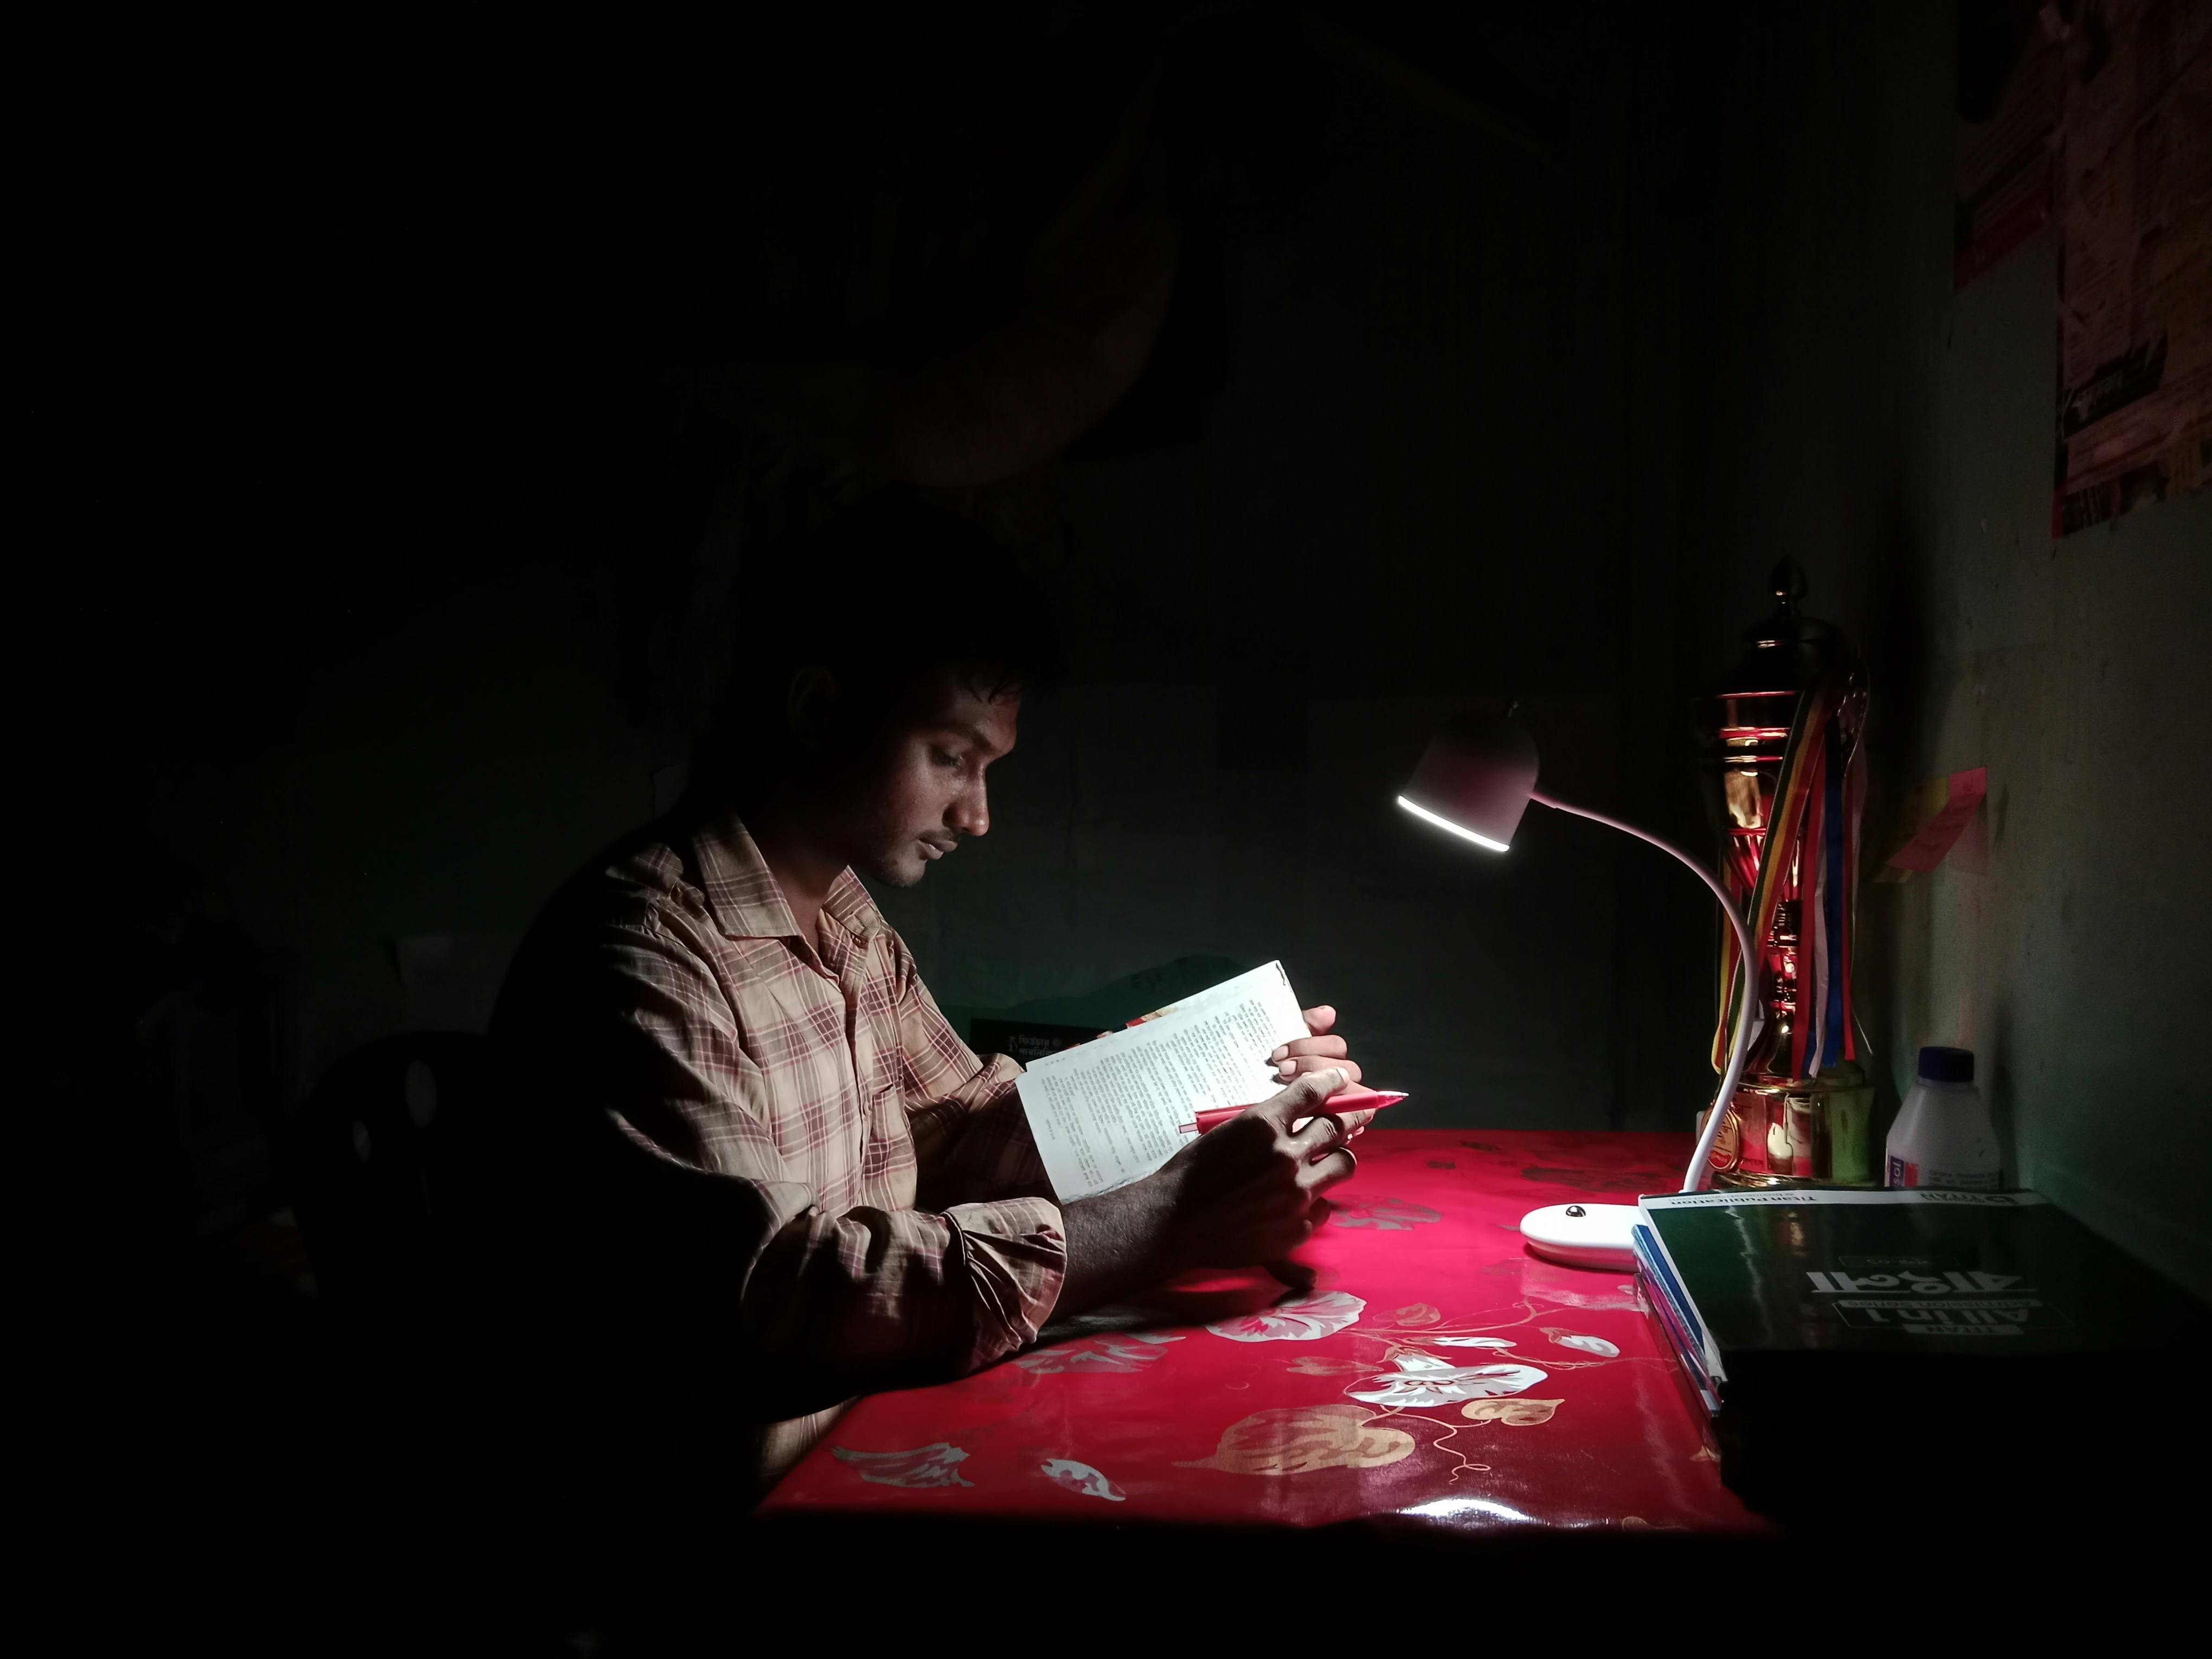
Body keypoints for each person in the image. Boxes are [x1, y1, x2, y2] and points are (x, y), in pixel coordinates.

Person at [490, 490, 1371, 1502]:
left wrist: (1235, 1091)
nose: (977, 815)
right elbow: (787, 1289)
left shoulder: (844, 921)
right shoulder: (645, 956)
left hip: (860, 1454)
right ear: (819, 712)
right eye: (952, 757)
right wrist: (1164, 1219)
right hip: (698, 1548)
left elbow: (962, 1129)